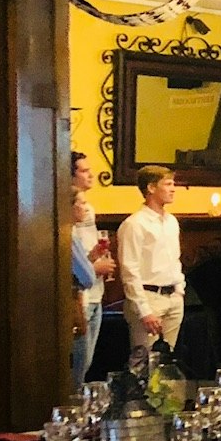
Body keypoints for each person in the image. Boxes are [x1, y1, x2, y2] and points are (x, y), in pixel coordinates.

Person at [117, 163, 184, 352]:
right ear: (151, 188)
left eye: (173, 184)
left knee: (167, 359)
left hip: (173, 297)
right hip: (149, 297)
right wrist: (144, 311)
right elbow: (129, 271)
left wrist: (179, 290)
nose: (173, 189)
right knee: (144, 360)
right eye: (168, 184)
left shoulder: (171, 221)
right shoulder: (134, 224)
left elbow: (175, 260)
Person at [68, 152, 113, 382]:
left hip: (95, 294)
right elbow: (71, 267)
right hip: (79, 298)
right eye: (84, 170)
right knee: (76, 367)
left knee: (86, 364)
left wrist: (95, 255)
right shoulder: (64, 220)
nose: (91, 175)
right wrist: (94, 267)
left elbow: (83, 255)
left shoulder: (88, 210)